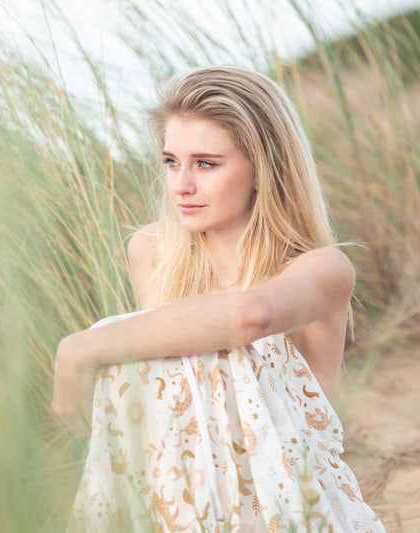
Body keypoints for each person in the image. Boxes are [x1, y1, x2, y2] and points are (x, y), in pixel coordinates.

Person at [52, 66, 385, 532]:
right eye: (171, 162)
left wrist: (81, 347)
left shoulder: (320, 269)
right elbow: (166, 408)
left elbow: (254, 315)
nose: (181, 186)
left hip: (290, 504)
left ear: (262, 169)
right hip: (185, 500)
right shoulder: (152, 254)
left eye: (205, 164)